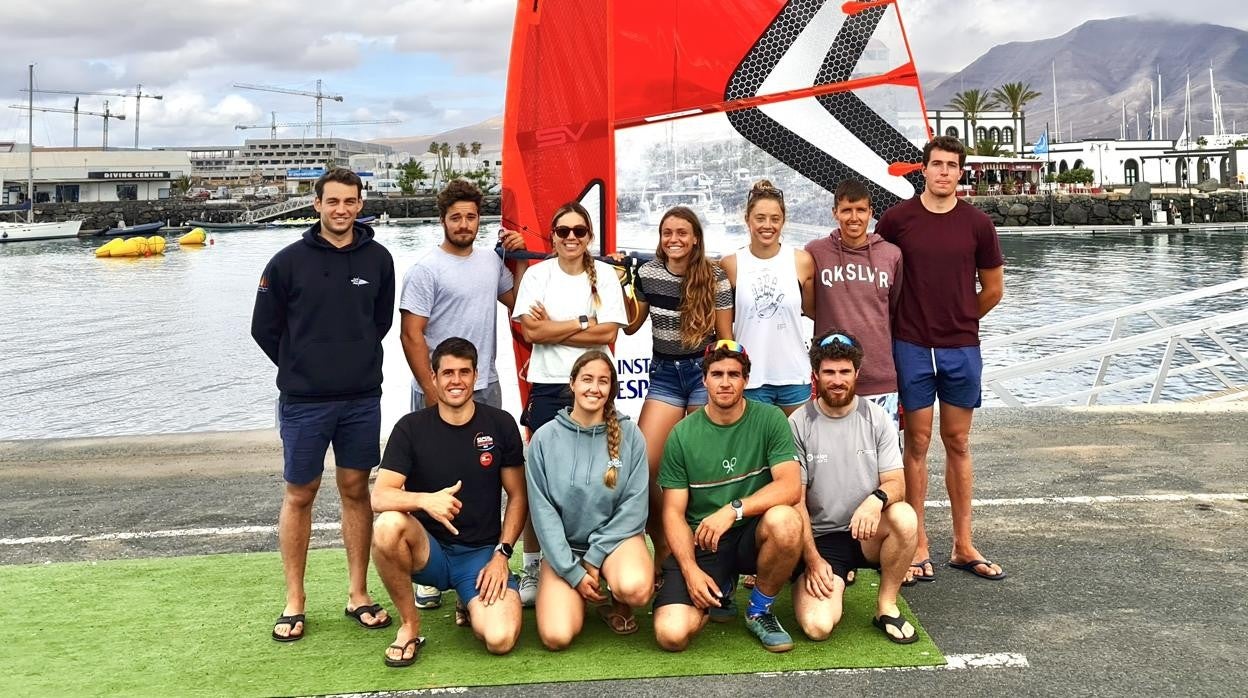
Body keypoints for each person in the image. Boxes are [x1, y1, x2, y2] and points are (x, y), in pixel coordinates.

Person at [251, 167, 395, 643]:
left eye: (350, 202)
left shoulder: (379, 259)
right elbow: (264, 329)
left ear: (360, 204)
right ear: (316, 204)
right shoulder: (287, 262)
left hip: (360, 398)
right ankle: (295, 600)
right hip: (304, 401)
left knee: (356, 489)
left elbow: (379, 322)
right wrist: (301, 366)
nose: (341, 210)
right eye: (332, 201)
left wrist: (347, 360)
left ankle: (358, 593)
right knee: (300, 492)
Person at [876, 135, 1006, 583]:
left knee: (958, 442)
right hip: (910, 345)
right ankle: (919, 544)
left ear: (960, 172)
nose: (944, 172)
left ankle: (962, 544)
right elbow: (879, 275)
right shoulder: (896, 220)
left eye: (952, 165)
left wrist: (959, 318)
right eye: (937, 164)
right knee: (915, 443)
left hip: (960, 347)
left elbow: (993, 289)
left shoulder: (978, 225)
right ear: (923, 170)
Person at [398, 179, 528, 610]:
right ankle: (428, 574)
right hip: (437, 387)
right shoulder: (426, 269)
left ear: (479, 219)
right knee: (430, 477)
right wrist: (433, 393)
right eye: (456, 217)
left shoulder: (491, 264)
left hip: (484, 383)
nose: (464, 224)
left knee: (486, 478)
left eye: (471, 216)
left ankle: (478, 567)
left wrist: (520, 254)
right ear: (443, 221)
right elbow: (411, 335)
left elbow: (519, 303)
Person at [370, 338, 526, 667]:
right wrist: (426, 501)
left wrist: (503, 554)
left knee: (500, 639)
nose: (456, 380)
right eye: (448, 373)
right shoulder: (411, 428)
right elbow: (380, 496)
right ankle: (410, 625)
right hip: (429, 553)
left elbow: (518, 495)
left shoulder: (499, 424)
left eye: (464, 372)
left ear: (476, 375)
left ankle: (468, 602)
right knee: (387, 525)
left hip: (480, 557)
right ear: (434, 376)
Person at [653, 340, 804, 653]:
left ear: (745, 380)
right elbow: (672, 514)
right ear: (704, 379)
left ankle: (759, 609)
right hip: (707, 540)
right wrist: (691, 571)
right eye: (717, 373)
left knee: (787, 521)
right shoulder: (682, 434)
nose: (725, 382)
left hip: (752, 530)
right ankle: (718, 586)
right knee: (672, 634)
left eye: (733, 374)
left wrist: (734, 510)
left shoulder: (770, 418)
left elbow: (790, 487)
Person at [512, 202, 628, 605]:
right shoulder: (538, 275)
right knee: (538, 478)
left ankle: (602, 559)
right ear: (553, 235)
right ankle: (531, 565)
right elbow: (529, 331)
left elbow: (609, 332)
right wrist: (582, 322)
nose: (572, 238)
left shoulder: (606, 277)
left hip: (597, 382)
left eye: (579, 231)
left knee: (602, 475)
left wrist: (553, 330)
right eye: (563, 231)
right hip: (548, 386)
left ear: (589, 236)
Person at [788, 331, 919, 644]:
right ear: (815, 375)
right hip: (822, 539)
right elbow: (796, 501)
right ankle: (826, 582)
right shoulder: (798, 422)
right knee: (817, 627)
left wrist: (875, 500)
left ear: (857, 374)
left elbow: (897, 483)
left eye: (844, 372)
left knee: (904, 516)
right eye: (829, 372)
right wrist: (812, 560)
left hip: (867, 532)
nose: (837, 380)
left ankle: (885, 606)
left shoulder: (876, 418)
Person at [621, 206, 733, 570]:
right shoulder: (649, 273)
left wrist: (725, 385)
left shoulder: (715, 276)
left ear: (695, 237)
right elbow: (631, 326)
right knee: (643, 465)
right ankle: (663, 547)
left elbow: (726, 339)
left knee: (704, 467)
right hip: (666, 375)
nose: (674, 239)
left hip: (703, 375)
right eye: (667, 232)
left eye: (682, 232)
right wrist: (625, 283)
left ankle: (708, 553)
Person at [527, 350, 652, 648]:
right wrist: (572, 571)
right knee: (556, 636)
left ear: (611, 389)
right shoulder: (543, 439)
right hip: (566, 548)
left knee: (635, 588)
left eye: (603, 381)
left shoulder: (630, 434)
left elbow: (635, 506)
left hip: (616, 542)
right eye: (587, 379)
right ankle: (576, 595)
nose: (594, 388)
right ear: (571, 383)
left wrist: (594, 559)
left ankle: (617, 599)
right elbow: (543, 515)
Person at [804, 180, 904, 428]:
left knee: (884, 456)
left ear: (871, 212)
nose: (854, 217)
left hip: (880, 375)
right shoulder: (815, 253)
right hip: (831, 378)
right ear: (835, 212)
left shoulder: (891, 254)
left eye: (860, 210)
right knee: (833, 456)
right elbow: (809, 307)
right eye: (847, 210)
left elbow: (894, 309)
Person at [720, 180, 815, 416]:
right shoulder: (731, 265)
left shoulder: (802, 261)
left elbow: (814, 311)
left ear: (783, 221)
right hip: (751, 379)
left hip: (794, 374)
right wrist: (735, 373)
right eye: (760, 218)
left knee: (798, 449)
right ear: (747, 219)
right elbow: (724, 334)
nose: (767, 225)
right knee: (756, 451)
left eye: (775, 218)